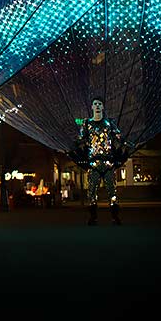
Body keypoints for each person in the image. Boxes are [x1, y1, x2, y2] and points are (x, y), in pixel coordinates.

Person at [70, 96, 129, 226]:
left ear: (102, 107)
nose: (97, 106)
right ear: (92, 107)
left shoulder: (109, 123)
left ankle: (115, 217)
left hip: (108, 163)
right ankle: (93, 218)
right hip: (93, 164)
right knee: (92, 191)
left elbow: (118, 137)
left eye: (99, 104)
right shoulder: (87, 123)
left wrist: (126, 144)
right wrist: (71, 146)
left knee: (112, 192)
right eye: (95, 104)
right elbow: (80, 139)